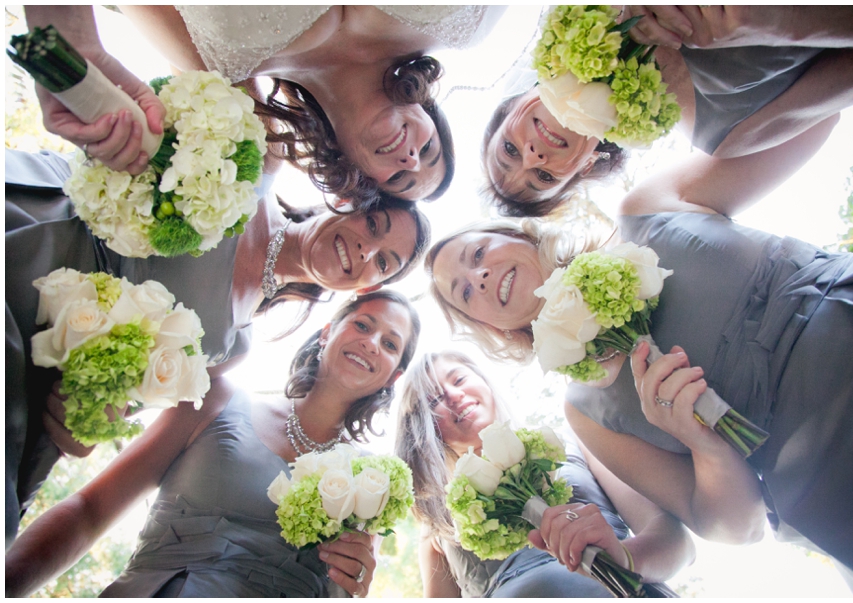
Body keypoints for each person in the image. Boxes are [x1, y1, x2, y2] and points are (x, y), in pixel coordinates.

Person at [427, 118, 853, 595]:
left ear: (520, 235)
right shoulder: (587, 410)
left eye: (478, 252)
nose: (480, 277)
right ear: (493, 327)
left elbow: (815, 119)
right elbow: (738, 526)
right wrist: (703, 442)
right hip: (837, 488)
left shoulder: (644, 209)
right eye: (465, 292)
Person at [5, 147, 431, 547]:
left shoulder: (233, 350)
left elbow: (111, 408)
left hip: (26, 368)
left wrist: (81, 425)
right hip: (30, 238)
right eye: (373, 225)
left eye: (382, 262)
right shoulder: (257, 169)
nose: (366, 249)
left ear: (365, 286)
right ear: (351, 201)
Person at [5, 290, 421, 597]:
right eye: (363, 324)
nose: (371, 342)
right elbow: (89, 511)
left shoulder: (372, 482)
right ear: (328, 333)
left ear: (393, 376)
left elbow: (347, 585)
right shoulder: (215, 397)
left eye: (390, 344)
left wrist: (357, 579)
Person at [22, 6, 506, 206]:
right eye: (430, 152)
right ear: (430, 117)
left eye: (402, 178)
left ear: (356, 175)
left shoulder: (214, 68)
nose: (409, 158)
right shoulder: (463, 22)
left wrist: (69, 48)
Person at [483, 5, 853, 217]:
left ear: (514, 105)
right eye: (542, 177)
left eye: (509, 151)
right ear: (586, 165)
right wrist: (778, 21)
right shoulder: (722, 131)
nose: (533, 157)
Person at [395, 350, 694, 597]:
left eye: (459, 379)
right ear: (425, 429)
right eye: (433, 401)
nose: (453, 396)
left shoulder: (576, 441)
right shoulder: (438, 523)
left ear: (484, 382)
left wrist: (625, 558)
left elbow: (677, 541)